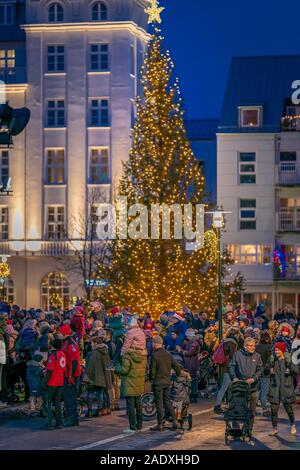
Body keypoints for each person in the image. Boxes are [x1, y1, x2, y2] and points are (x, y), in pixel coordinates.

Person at [229, 337, 263, 435]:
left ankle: (249, 429)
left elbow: (260, 370)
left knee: (251, 410)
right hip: (240, 386)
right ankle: (236, 429)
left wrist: (254, 378)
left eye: (254, 345)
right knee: (238, 407)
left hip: (253, 387)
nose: (253, 347)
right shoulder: (237, 355)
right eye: (251, 346)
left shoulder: (257, 356)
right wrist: (234, 378)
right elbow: (231, 366)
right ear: (245, 346)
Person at [149, 335, 184, 432]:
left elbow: (152, 371)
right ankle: (174, 421)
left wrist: (150, 379)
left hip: (158, 382)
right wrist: (177, 374)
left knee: (159, 403)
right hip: (167, 382)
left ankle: (160, 424)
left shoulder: (154, 355)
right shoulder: (168, 354)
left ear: (155, 344)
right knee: (167, 401)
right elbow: (177, 367)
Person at [268, 342, 297, 436]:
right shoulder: (273, 361)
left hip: (285, 389)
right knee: (273, 410)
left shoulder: (288, 361)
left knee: (289, 409)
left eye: (278, 350)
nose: (276, 351)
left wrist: (289, 364)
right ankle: (274, 428)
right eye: (275, 350)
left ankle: (292, 425)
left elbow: (296, 371)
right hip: (275, 389)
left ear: (283, 350)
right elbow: (264, 372)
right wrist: (269, 369)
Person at [115, 347, 147, 433]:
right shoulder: (143, 356)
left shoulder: (127, 357)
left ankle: (132, 427)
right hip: (139, 384)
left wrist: (117, 366)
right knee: (138, 405)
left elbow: (124, 370)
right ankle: (139, 426)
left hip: (129, 384)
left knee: (131, 406)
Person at [214, 326, 240, 415]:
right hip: (229, 367)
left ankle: (226, 404)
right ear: (235, 334)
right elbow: (233, 356)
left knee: (226, 386)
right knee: (225, 387)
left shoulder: (225, 341)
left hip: (224, 366)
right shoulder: (232, 343)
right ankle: (217, 405)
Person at [59, 324, 81, 427]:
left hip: (71, 375)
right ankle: (70, 417)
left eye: (59, 332)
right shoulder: (65, 343)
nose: (58, 334)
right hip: (66, 374)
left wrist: (71, 376)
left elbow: (74, 362)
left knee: (70, 397)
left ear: (64, 334)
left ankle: (73, 418)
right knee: (67, 397)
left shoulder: (71, 345)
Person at [85, 336, 112, 417]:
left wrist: (87, 376)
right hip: (103, 376)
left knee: (90, 393)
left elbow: (90, 366)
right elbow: (108, 365)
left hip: (94, 376)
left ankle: (89, 411)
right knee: (100, 393)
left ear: (96, 343)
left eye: (92, 342)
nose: (91, 344)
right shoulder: (105, 352)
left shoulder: (94, 353)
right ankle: (100, 410)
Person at [42, 339, 66, 430]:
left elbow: (50, 370)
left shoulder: (53, 355)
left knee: (48, 402)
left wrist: (45, 382)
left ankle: (49, 423)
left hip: (52, 381)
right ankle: (59, 422)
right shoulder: (62, 354)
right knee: (57, 403)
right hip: (60, 380)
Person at [177, 329, 200, 403]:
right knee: (192, 380)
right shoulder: (190, 342)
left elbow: (190, 353)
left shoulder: (194, 343)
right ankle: (192, 395)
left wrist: (181, 351)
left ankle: (193, 396)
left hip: (192, 364)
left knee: (193, 380)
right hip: (190, 363)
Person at [256, 330, 272, 417]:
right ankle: (265, 409)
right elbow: (270, 360)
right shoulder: (269, 347)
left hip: (256, 372)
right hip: (265, 372)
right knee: (264, 391)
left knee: (255, 390)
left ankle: (252, 408)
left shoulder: (256, 347)